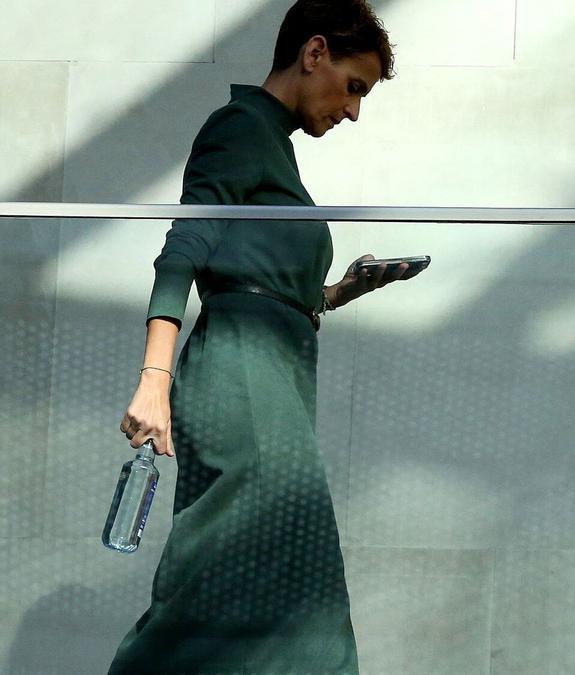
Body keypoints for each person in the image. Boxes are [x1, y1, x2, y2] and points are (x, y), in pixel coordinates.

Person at [108, 2, 412, 672]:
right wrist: (153, 380)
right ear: (314, 53)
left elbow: (259, 283)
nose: (354, 110)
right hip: (244, 380)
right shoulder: (241, 127)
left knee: (225, 577)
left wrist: (345, 289)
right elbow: (183, 252)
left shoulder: (270, 147)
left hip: (270, 381)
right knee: (302, 578)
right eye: (354, 86)